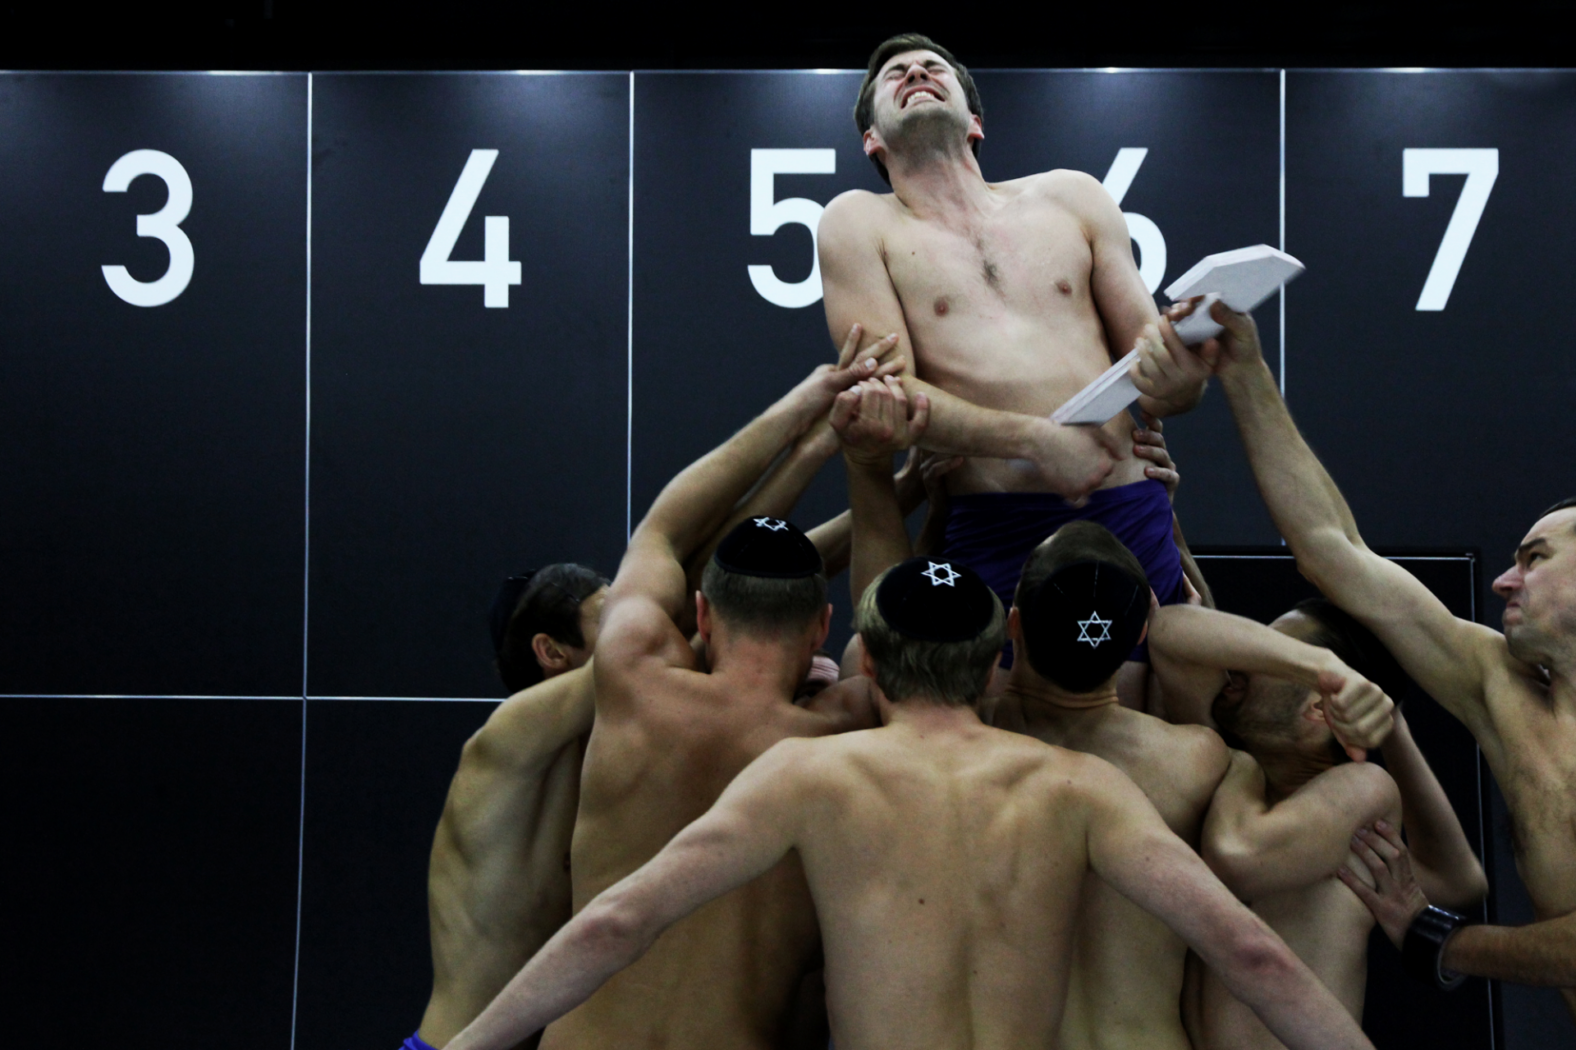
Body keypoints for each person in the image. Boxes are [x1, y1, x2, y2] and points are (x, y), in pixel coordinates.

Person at [443, 553, 1378, 1050]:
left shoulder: (813, 778)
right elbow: (1253, 953)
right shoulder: (1083, 789)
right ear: (994, 660)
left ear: (872, 664)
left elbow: (618, 922)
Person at [1199, 294, 1576, 1017]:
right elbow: (1332, 553)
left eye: (1534, 559)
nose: (1504, 581)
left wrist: (1445, 942)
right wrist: (1244, 373)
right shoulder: (1504, 687)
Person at [817, 33, 1213, 684]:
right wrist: (1036, 440)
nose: (915, 70)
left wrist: (1188, 373)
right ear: (872, 141)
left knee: (1148, 716)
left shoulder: (1073, 196)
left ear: (975, 121)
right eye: (894, 74)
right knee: (1001, 734)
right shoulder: (860, 224)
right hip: (993, 524)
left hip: (1124, 511)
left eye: (932, 66)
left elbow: (1160, 375)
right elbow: (889, 396)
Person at [527, 354, 887, 1050]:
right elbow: (892, 623)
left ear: (702, 613)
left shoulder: (636, 673)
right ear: (821, 627)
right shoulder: (842, 731)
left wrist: (809, 402)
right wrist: (893, 481)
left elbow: (662, 530)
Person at [1148, 600, 1486, 1049]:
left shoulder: (1361, 791)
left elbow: (1239, 857)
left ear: (1319, 709)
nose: (1244, 658)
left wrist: (1387, 721)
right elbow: (1168, 631)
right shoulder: (1227, 785)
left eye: (1275, 652)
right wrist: (1326, 667)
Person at [411, 565, 608, 1050]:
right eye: (614, 618)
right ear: (551, 652)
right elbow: (647, 654)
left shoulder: (594, 764)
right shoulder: (503, 741)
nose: (639, 623)